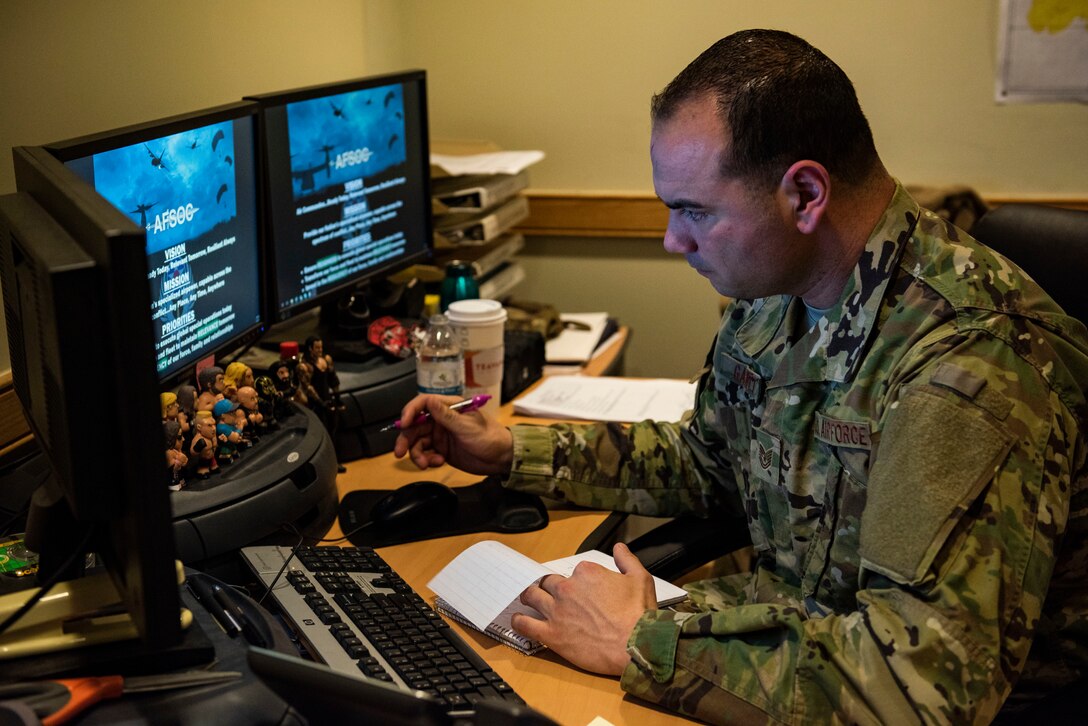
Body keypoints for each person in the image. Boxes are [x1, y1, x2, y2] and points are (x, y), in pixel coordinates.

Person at [393, 29, 1088, 724]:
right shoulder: (776, 292)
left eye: (696, 211)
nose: (673, 240)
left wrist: (643, 641)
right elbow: (711, 461)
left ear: (806, 193)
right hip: (792, 641)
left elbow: (925, 686)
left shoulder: (971, 364)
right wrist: (514, 451)